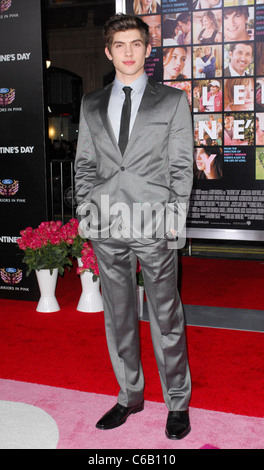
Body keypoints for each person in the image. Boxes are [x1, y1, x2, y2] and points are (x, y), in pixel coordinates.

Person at [74, 13, 193, 440]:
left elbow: (182, 168)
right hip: (107, 223)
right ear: (108, 52)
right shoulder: (90, 103)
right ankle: (130, 395)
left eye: (136, 44)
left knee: (166, 316)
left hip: (155, 223)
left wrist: (174, 222)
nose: (128, 52)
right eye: (119, 45)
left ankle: (176, 401)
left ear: (147, 49)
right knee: (119, 316)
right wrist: (87, 211)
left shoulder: (172, 101)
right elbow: (84, 165)